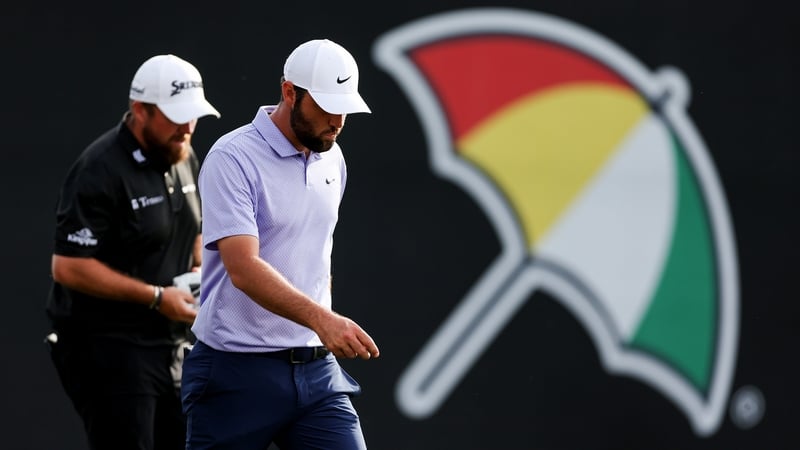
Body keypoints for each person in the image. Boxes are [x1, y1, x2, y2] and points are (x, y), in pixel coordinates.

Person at [181, 38, 380, 449]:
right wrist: (323, 320)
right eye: (326, 106)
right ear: (290, 92)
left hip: (316, 372)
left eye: (344, 108)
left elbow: (314, 251)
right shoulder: (232, 157)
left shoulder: (333, 157)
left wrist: (317, 325)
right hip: (234, 372)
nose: (338, 121)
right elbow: (243, 268)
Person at [45, 54, 220, 450]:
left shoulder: (183, 153)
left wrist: (198, 271)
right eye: (176, 116)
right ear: (140, 110)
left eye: (193, 117)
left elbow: (194, 228)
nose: (187, 128)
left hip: (169, 343)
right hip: (107, 345)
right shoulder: (99, 168)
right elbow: (69, 267)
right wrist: (157, 298)